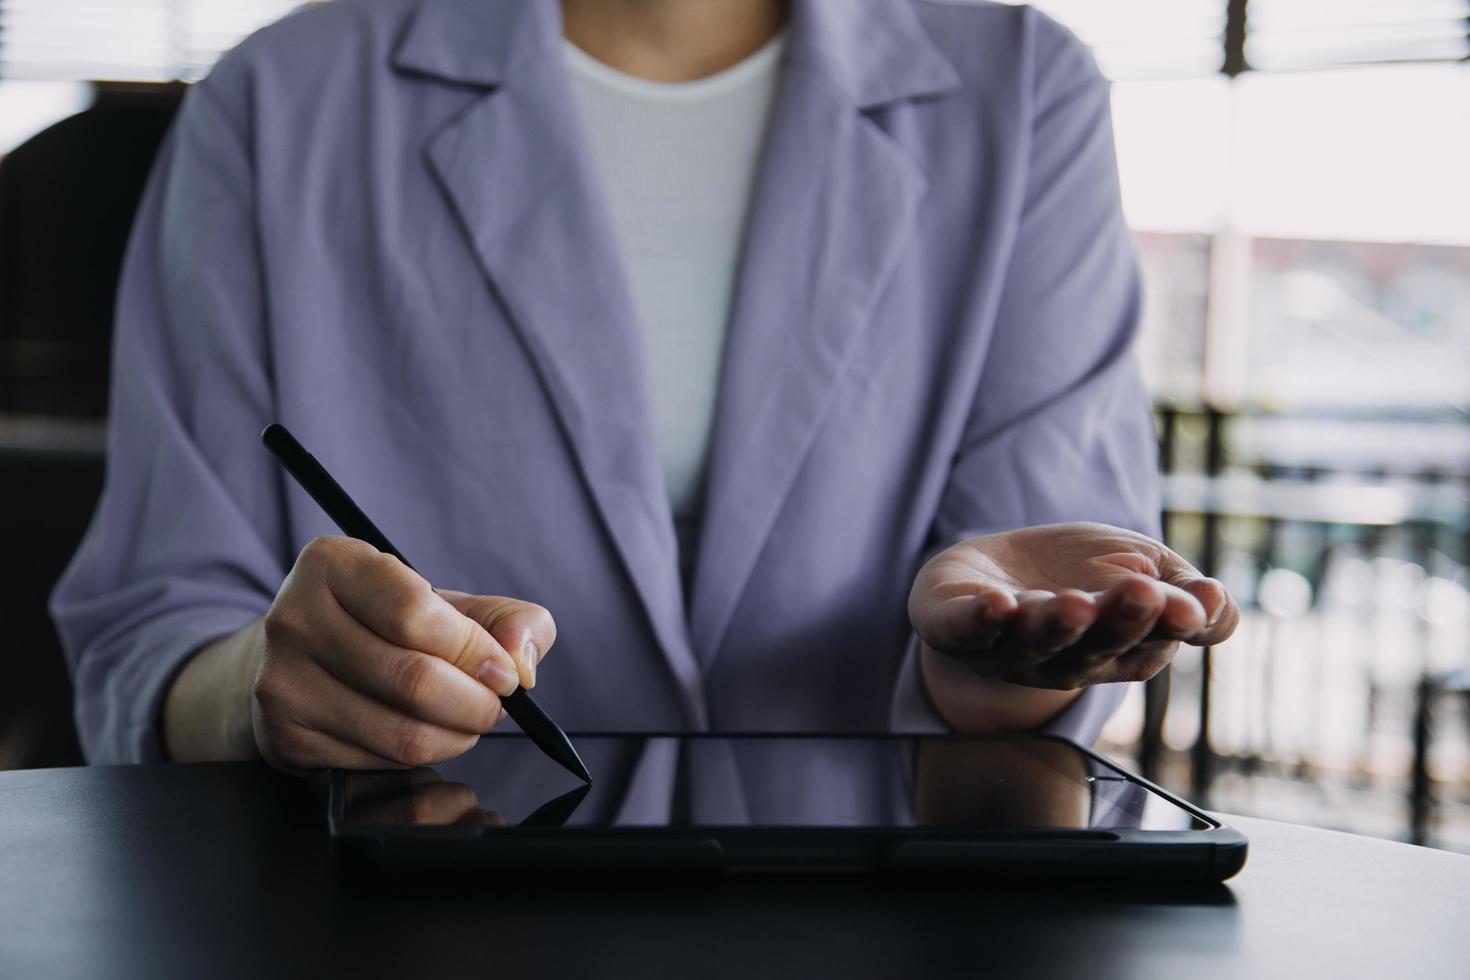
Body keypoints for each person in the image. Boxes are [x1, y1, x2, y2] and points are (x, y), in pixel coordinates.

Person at [51, 0, 1239, 771]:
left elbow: (1037, 597)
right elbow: (156, 629)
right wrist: (263, 684)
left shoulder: (1025, 89)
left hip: (876, 919)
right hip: (412, 911)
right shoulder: (279, 98)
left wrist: (1001, 657)